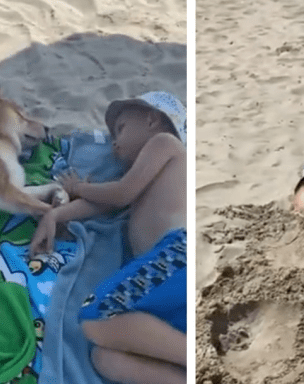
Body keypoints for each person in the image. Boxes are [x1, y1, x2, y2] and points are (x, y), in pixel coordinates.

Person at [29, 93, 187, 384]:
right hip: (162, 284)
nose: (114, 143)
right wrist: (55, 216)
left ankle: (197, 358)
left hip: (177, 255)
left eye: (122, 128)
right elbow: (109, 201)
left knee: (97, 316)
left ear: (152, 119)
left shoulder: (165, 144)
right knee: (105, 358)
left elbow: (120, 193)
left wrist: (79, 186)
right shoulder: (142, 174)